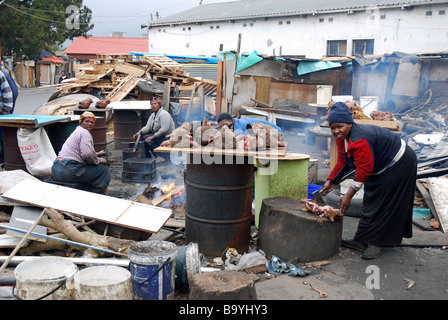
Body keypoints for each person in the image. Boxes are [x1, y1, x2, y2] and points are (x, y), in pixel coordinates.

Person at [320, 102, 417, 259]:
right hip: (381, 164)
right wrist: (331, 180)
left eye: (340, 126)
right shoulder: (341, 137)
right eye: (333, 128)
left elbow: (364, 170)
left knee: (384, 203)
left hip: (400, 162)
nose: (336, 131)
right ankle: (361, 240)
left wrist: (348, 195)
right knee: (371, 201)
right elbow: (343, 161)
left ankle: (378, 243)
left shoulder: (359, 140)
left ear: (350, 124)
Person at [51, 111, 111, 194]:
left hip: (57, 168)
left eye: (92, 122)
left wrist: (96, 154)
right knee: (103, 169)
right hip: (69, 170)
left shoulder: (76, 131)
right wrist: (98, 160)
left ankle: (83, 191)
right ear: (81, 122)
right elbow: (87, 155)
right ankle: (97, 194)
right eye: (86, 121)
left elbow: (77, 153)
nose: (89, 124)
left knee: (87, 168)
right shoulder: (85, 133)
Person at [0, 67, 18, 167]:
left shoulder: (2, 75)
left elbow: (10, 93)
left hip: (2, 113)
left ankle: (3, 161)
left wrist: (7, 110)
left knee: (3, 136)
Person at [217, 112, 282, 136]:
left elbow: (239, 138)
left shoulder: (242, 125)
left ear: (232, 121)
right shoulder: (235, 123)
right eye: (221, 127)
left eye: (225, 125)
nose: (224, 128)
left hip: (276, 132)